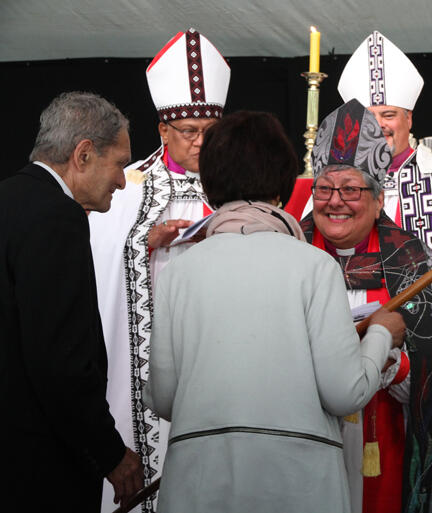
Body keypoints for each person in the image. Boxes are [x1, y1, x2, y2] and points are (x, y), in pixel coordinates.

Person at [143, 110, 406, 513]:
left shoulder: (179, 271)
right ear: (283, 184)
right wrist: (381, 333)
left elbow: (162, 398)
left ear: (210, 186)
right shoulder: (314, 266)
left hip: (199, 482)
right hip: (295, 482)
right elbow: (345, 392)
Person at [302, 99, 432, 513]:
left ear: (378, 198)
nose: (335, 202)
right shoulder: (290, 254)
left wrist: (394, 365)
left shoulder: (411, 262)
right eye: (325, 188)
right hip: (305, 441)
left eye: (351, 189)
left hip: (386, 439)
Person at [88, 28, 230, 511]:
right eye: (189, 131)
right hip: (143, 359)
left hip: (217, 349)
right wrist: (142, 244)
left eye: (209, 132)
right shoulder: (124, 189)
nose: (199, 142)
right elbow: (93, 266)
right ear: (163, 130)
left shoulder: (237, 185)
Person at [1, 92, 143, 512]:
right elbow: (58, 360)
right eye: (119, 163)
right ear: (83, 155)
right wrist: (110, 454)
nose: (122, 180)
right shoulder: (57, 217)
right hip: (39, 470)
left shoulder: (8, 199)